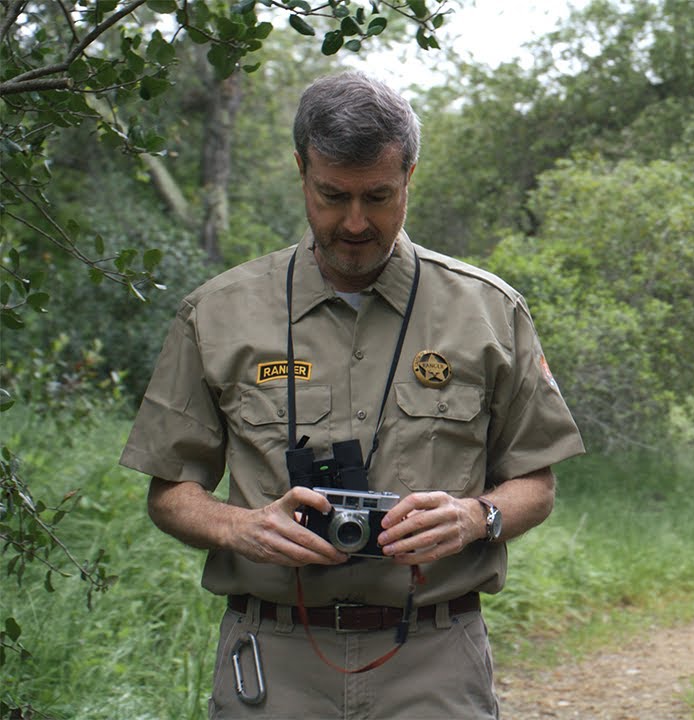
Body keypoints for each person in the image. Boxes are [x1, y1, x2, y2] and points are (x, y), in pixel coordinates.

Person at [120, 71, 585, 718]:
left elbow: (536, 483)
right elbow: (169, 492)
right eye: (332, 195)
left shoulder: (488, 312)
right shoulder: (217, 314)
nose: (356, 222)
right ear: (301, 170)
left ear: (410, 176)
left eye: (379, 196)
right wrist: (246, 527)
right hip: (273, 655)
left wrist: (476, 517)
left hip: (435, 653)